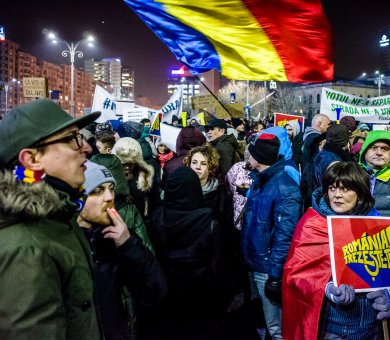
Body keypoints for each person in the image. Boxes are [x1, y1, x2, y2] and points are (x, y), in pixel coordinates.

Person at [0, 99, 101, 338]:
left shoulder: (59, 215)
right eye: (72, 138)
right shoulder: (25, 248)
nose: (86, 147)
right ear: (32, 159)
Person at [283, 162, 390, 340]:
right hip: (335, 328)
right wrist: (328, 289)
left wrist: (389, 296)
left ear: (360, 193)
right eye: (332, 188)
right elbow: (295, 275)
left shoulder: (375, 222)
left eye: (345, 189)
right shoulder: (312, 224)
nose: (337, 195)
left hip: (373, 325)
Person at [79, 162, 167, 339]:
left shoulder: (119, 237)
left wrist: (129, 245)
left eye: (111, 188)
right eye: (97, 191)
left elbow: (157, 291)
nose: (109, 197)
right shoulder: (66, 242)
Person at [149, 167, 229, 339]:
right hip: (203, 295)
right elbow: (217, 265)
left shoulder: (157, 217)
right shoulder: (210, 221)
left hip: (168, 292)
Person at [241, 133, 303, 339]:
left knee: (277, 328)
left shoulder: (284, 186)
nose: (248, 157)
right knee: (265, 322)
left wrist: (275, 275)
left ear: (257, 157)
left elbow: (285, 236)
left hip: (268, 268)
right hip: (256, 263)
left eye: (250, 153)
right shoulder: (262, 180)